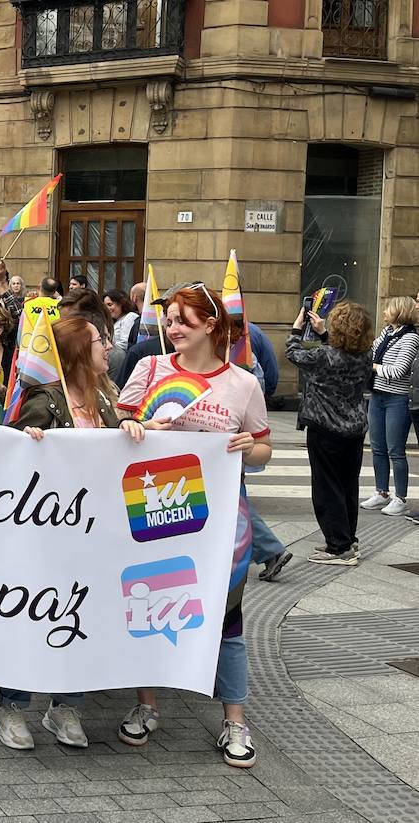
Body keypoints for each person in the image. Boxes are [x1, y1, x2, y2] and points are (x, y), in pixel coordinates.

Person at [115, 283, 272, 768]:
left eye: (183, 320)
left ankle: (235, 720)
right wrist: (135, 428)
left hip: (222, 523)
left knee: (226, 619)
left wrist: (251, 447)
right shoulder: (149, 369)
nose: (172, 328)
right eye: (170, 320)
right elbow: (115, 430)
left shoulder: (243, 383)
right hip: (155, 510)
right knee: (150, 607)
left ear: (211, 325)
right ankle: (147, 705)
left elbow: (264, 452)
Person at [0, 316, 147, 750]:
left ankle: (66, 706)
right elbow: (11, 455)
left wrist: (129, 429)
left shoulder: (107, 396)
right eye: (99, 340)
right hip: (49, 533)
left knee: (84, 617)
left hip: (97, 532)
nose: (108, 347)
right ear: (79, 351)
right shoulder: (45, 399)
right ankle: (10, 706)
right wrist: (28, 437)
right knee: (34, 614)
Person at [287, 301, 372, 564]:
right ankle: (349, 540)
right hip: (354, 430)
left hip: (325, 429)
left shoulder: (322, 357)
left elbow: (293, 353)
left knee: (326, 489)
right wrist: (324, 334)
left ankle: (338, 547)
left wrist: (296, 329)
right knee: (347, 486)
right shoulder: (366, 355)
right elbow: (343, 351)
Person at [360, 297, 419, 515]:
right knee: (377, 448)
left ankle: (401, 498)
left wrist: (374, 366)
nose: (384, 312)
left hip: (397, 399)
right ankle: (381, 492)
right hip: (377, 396)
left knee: (396, 450)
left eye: (388, 309)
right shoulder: (386, 333)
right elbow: (369, 352)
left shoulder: (411, 338)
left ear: (399, 312)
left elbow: (398, 371)